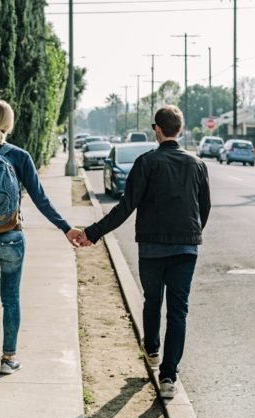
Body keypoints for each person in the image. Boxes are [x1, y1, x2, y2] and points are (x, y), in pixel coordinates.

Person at [77, 105, 210, 399]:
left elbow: (126, 207)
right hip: (186, 248)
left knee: (152, 300)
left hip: (151, 248)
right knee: (179, 311)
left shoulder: (146, 163)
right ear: (181, 129)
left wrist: (92, 233)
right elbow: (204, 208)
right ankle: (168, 378)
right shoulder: (198, 165)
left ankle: (151, 350)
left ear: (157, 129)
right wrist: (191, 234)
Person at [0, 100, 82, 394]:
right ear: (9, 125)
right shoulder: (20, 157)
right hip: (11, 236)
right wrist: (65, 228)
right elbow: (40, 199)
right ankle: (9, 358)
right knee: (10, 299)